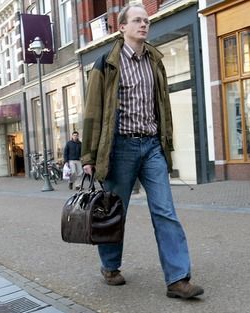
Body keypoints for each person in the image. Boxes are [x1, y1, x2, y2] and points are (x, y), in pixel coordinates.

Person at [81, 4, 203, 299]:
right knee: (114, 212)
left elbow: (162, 107)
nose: (143, 24)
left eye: (146, 21)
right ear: (121, 27)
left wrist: (166, 142)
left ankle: (177, 279)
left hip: (151, 146)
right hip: (119, 147)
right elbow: (92, 112)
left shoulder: (155, 61)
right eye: (137, 20)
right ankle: (110, 266)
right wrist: (88, 157)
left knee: (165, 211)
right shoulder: (105, 63)